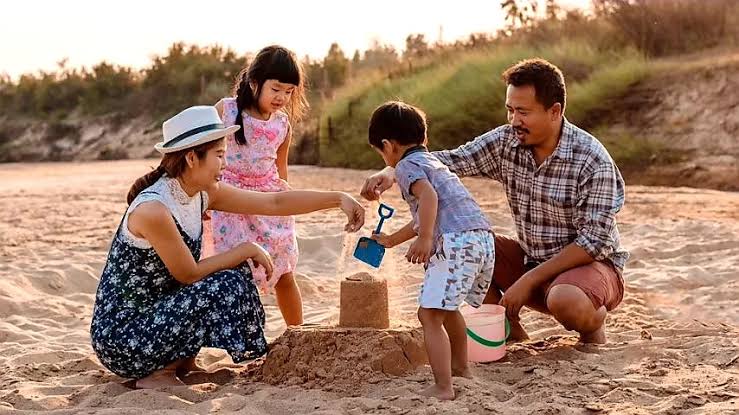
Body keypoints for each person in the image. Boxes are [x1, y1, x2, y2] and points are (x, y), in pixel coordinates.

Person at [90, 105, 365, 389]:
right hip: (123, 338)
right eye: (219, 155)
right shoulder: (154, 208)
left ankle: (183, 363)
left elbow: (274, 203)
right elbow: (189, 274)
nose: (226, 162)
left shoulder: (199, 193)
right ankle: (159, 373)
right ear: (191, 157)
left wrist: (338, 198)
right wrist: (245, 248)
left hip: (158, 318)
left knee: (233, 274)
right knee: (225, 280)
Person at [361, 58, 627, 345]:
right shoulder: (506, 141)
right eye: (510, 110)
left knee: (566, 300)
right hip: (529, 259)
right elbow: (450, 161)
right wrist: (392, 171)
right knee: (470, 249)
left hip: (590, 269)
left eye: (523, 112)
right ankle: (514, 335)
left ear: (555, 111)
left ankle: (593, 326)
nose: (514, 121)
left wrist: (529, 280)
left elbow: (594, 242)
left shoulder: (592, 160)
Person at [367, 101, 495, 400]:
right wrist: (392, 240)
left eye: (381, 152)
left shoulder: (406, 166)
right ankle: (461, 368)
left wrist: (425, 239)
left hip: (455, 241)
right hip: (480, 238)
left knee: (429, 315)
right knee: (448, 309)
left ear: (389, 145)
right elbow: (428, 210)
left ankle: (443, 386)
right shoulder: (434, 163)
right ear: (423, 138)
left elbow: (429, 198)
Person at [206, 45, 309, 326]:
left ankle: (296, 333)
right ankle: (247, 341)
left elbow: (281, 168)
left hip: (270, 203)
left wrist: (286, 206)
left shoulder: (283, 124)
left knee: (284, 272)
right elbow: (203, 157)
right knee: (240, 274)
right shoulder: (225, 111)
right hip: (230, 201)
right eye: (276, 89)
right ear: (254, 82)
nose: (282, 97)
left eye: (289, 91)